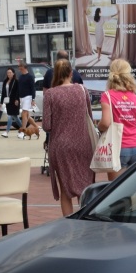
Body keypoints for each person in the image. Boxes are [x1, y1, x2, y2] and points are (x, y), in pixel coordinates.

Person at [42, 59, 96, 217]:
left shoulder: (50, 94)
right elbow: (89, 118)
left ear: (55, 74)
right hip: (83, 143)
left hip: (61, 146)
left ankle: (68, 223)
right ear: (71, 73)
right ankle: (85, 219)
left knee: (66, 187)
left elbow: (46, 125)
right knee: (84, 185)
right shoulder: (82, 90)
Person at [100, 58, 136, 179]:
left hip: (118, 147)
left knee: (114, 189)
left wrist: (99, 127)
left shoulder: (107, 96)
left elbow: (106, 123)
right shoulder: (135, 98)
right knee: (133, 187)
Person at [15, 61, 38, 139]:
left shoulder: (30, 77)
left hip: (28, 96)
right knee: (27, 115)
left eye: (20, 66)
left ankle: (23, 131)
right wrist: (17, 98)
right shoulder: (20, 77)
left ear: (23, 67)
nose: (18, 68)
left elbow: (33, 88)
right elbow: (18, 88)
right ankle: (36, 127)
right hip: (21, 97)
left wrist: (33, 99)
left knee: (24, 113)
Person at [0, 67, 19, 138]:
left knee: (10, 116)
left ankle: (6, 132)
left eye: (10, 72)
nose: (9, 74)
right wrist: (1, 102)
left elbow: (18, 91)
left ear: (13, 73)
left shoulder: (16, 81)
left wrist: (17, 99)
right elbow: (3, 92)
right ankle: (24, 129)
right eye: (8, 72)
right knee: (15, 117)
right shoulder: (5, 81)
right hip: (7, 101)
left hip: (14, 101)